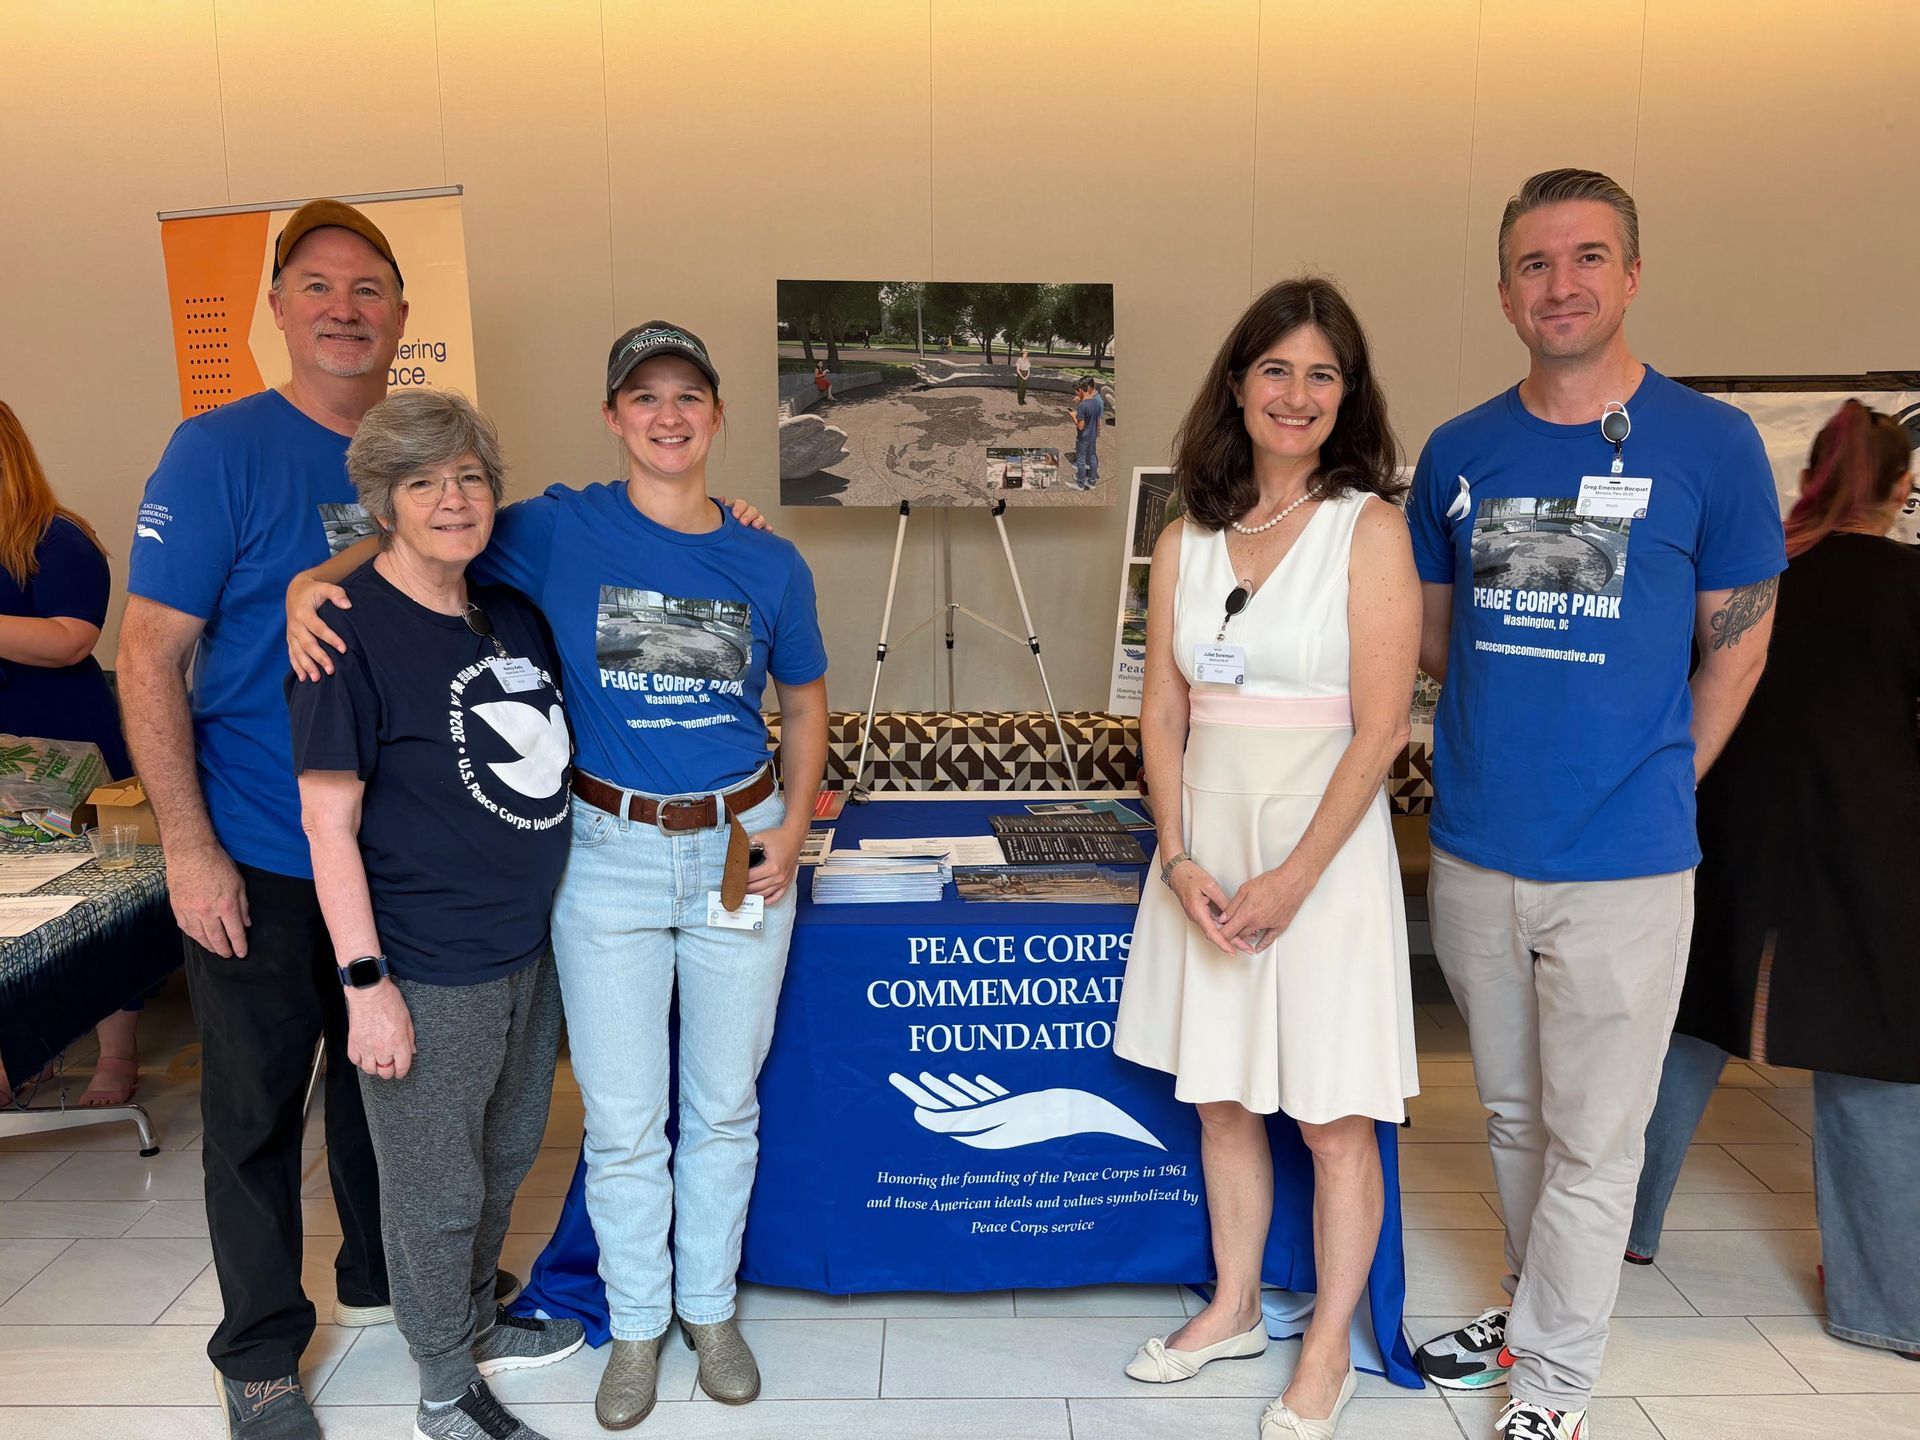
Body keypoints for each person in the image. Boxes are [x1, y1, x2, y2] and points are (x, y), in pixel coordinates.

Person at [288, 321, 828, 1431]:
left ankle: (708, 1311)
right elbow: (415, 528)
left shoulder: (768, 557)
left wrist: (795, 825)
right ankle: (637, 1325)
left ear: (717, 416)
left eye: (689, 396)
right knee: (626, 1121)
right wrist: (310, 581)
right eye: (645, 398)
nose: (668, 416)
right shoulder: (553, 528)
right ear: (613, 418)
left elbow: (807, 701)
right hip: (609, 857)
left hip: (740, 843)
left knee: (722, 1107)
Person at [1406, 169, 1786, 1440]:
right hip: (1475, 848)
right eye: (1532, 262)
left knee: (1596, 1137)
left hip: (1627, 863)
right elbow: (1439, 637)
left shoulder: (1710, 444)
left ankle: (1556, 1384)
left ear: (1631, 276)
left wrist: (1666, 777)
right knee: (1513, 1113)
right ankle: (1534, 1317)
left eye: (1586, 257)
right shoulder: (1460, 452)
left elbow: (1737, 643)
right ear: (1502, 289)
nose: (1558, 284)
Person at [118, 199, 411, 1438]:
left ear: (402, 316)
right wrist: (188, 848)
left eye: (370, 290)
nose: (346, 309)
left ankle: (384, 1273)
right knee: (251, 1112)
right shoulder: (217, 451)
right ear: (278, 309)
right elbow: (146, 655)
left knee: (382, 1088)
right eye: (320, 287)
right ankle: (258, 1353)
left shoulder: (412, 453)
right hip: (257, 842)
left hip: (395, 850)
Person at [1114, 276, 1420, 1440]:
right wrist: (1181, 859)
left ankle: (1327, 1347)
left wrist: (1293, 878)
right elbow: (1161, 715)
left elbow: (1383, 724)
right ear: (1237, 385)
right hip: (1206, 846)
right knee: (1225, 1098)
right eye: (1277, 369)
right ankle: (1237, 1306)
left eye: (1323, 374)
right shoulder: (1185, 536)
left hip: (1322, 856)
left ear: (1348, 398)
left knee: (1334, 1116)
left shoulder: (1369, 528)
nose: (1297, 394)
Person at [289, 390, 585, 1440]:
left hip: (528, 946)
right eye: (424, 483)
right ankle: (442, 1387)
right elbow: (329, 827)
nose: (454, 499)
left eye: (468, 476)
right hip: (426, 960)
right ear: (384, 504)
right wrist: (367, 988)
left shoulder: (508, 611)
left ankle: (473, 1324)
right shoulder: (346, 633)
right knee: (434, 1188)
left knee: (506, 1157)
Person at [1625, 400, 1920, 1365]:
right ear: (1895, 491)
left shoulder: (1761, 581)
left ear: (1812, 481)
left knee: (1678, 1032)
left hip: (1730, 833)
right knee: (1876, 1064)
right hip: (1877, 852)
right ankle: (1888, 1308)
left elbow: (1682, 690)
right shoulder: (1912, 585)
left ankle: (1616, 1230)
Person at [0, 400, 142, 1108]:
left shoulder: (58, 540)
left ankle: (116, 1059)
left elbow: (70, 640)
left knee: (91, 904)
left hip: (63, 751)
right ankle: (20, 1057)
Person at [1073, 377, 1105, 488]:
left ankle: (1080, 484)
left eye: (1077, 392)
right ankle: (1092, 481)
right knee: (1092, 457)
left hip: (1084, 436)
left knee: (1081, 460)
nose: (1077, 394)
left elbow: (1080, 426)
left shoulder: (1082, 406)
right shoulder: (1096, 402)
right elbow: (1096, 420)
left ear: (1080, 390)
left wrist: (1073, 417)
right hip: (1093, 435)